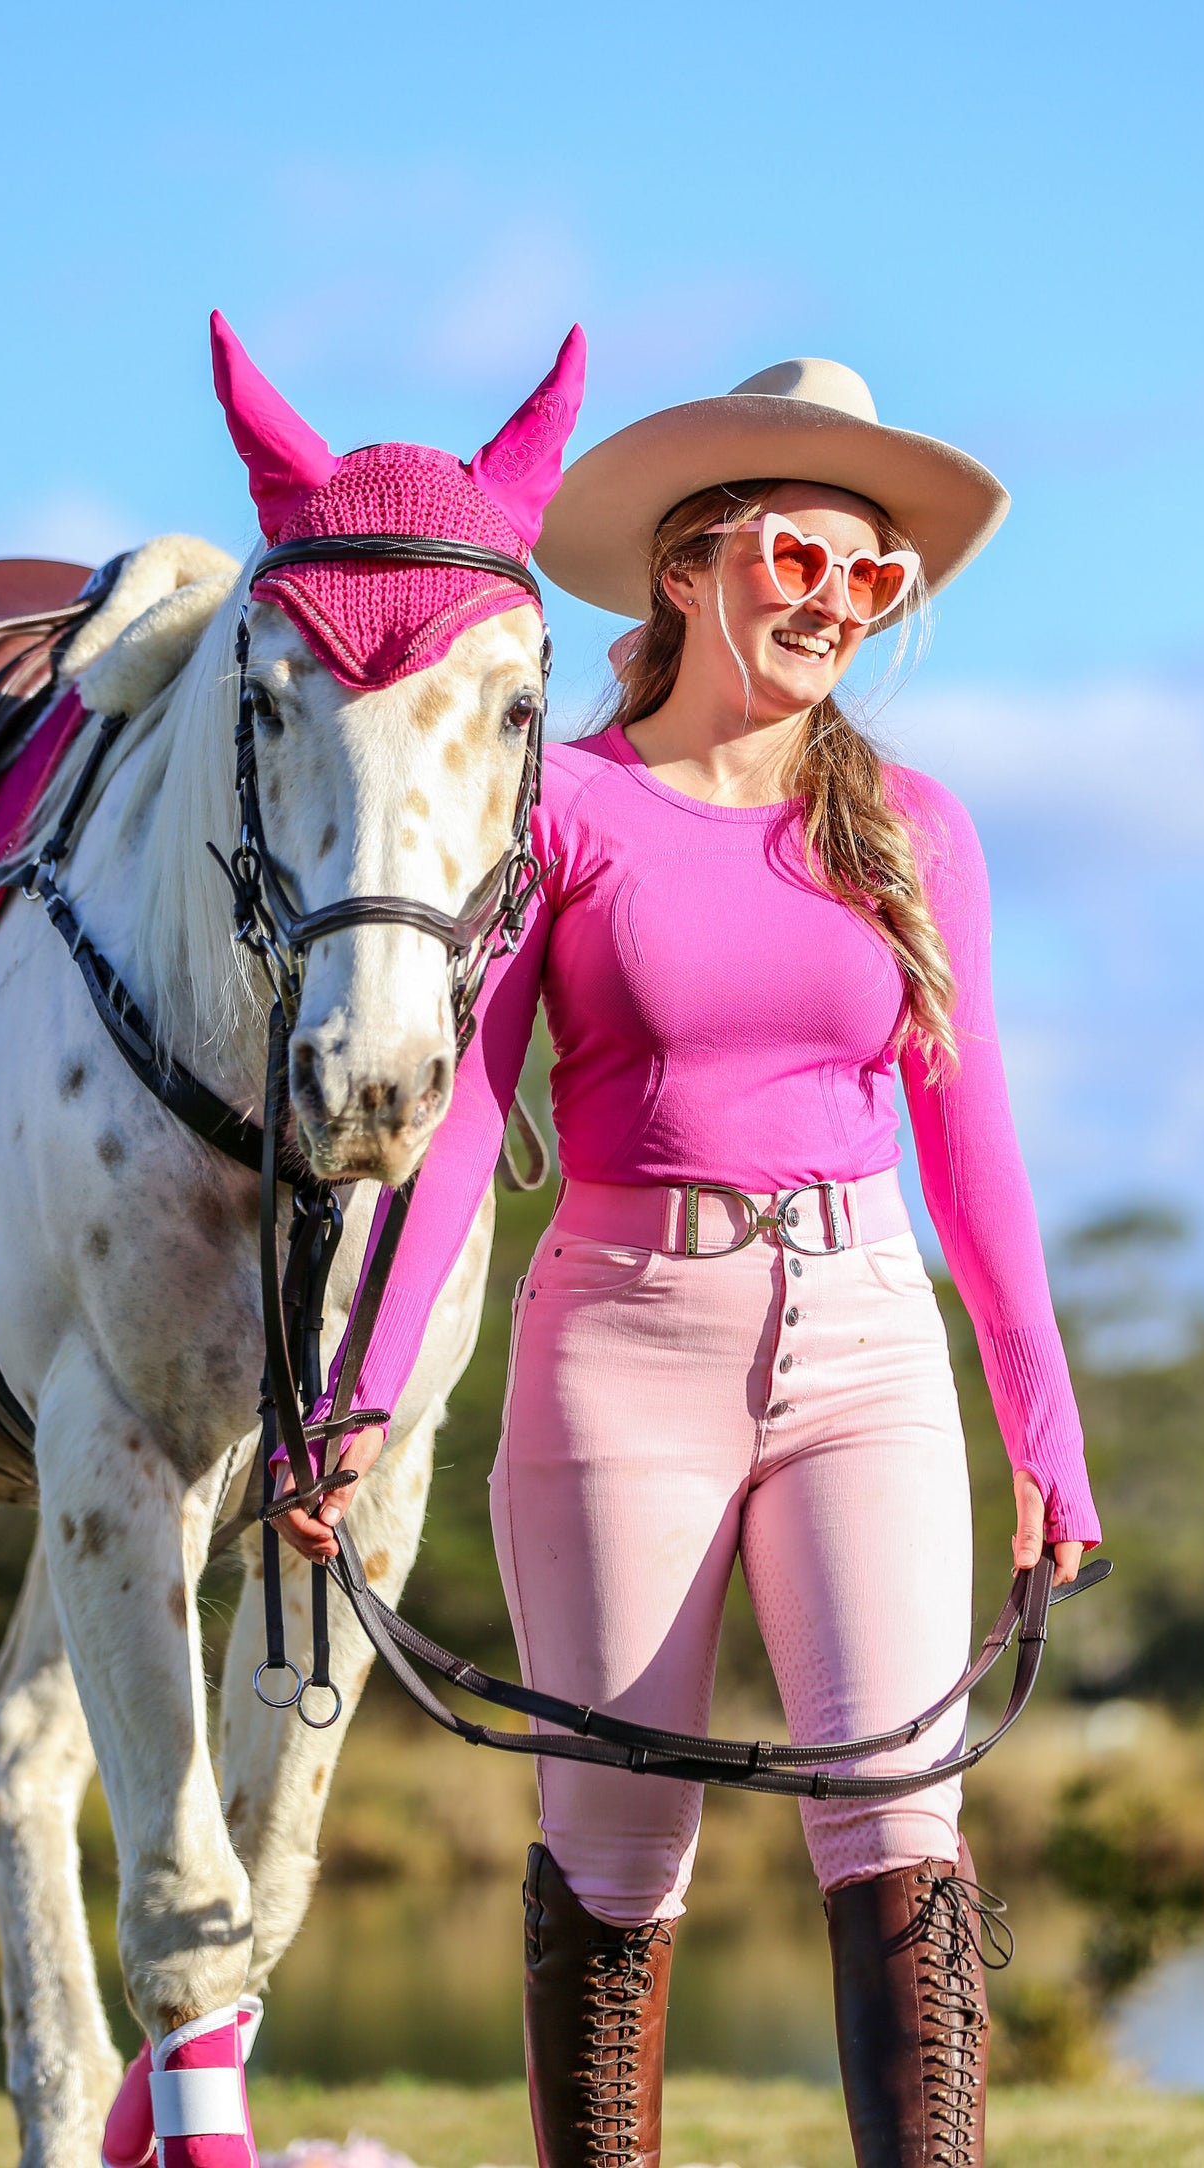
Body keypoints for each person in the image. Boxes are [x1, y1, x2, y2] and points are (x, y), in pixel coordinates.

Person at [273, 356, 1101, 2168]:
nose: (834, 602)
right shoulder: (559, 811)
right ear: (688, 566)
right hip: (620, 1345)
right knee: (618, 1840)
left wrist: (1044, 1434)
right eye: (802, 555)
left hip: (869, 1341)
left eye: (873, 577)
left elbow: (973, 1155)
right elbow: (467, 1131)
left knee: (900, 1822)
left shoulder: (914, 831)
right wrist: (360, 1402)